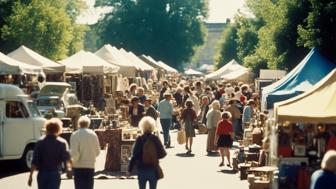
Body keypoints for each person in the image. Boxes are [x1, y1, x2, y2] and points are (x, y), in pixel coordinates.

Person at [28, 118, 71, 189]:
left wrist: (31, 176)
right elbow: (66, 158)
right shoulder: (61, 143)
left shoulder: (40, 142)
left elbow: (35, 161)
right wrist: (68, 169)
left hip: (42, 173)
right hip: (55, 173)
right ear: (58, 129)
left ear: (46, 128)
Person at [128, 117, 167, 189]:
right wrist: (154, 156)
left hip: (141, 168)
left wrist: (130, 169)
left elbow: (135, 155)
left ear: (142, 126)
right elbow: (163, 153)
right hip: (153, 168)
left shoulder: (140, 139)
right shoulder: (155, 138)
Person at [70, 116, 100, 189]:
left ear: (78, 124)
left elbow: (74, 153)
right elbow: (97, 151)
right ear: (88, 124)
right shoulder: (93, 134)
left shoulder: (75, 135)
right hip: (90, 166)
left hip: (78, 167)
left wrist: (72, 164)